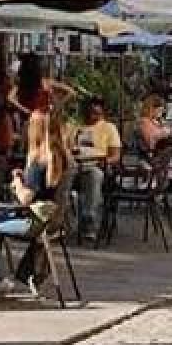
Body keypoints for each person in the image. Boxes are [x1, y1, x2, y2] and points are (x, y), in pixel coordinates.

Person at [0, 110, 69, 297]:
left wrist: (18, 183)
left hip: (30, 221)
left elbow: (26, 198)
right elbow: (45, 190)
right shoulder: (62, 159)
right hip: (50, 219)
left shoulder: (39, 161)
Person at [75, 97, 121, 240]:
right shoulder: (77, 127)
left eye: (96, 112)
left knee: (94, 176)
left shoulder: (109, 128)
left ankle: (88, 220)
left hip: (97, 166)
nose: (92, 115)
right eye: (90, 112)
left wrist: (104, 161)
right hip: (76, 165)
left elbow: (115, 156)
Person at [11, 53, 77, 116]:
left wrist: (26, 110)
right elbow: (71, 91)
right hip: (45, 117)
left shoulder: (21, 84)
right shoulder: (45, 82)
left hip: (29, 119)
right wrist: (59, 105)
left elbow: (10, 98)